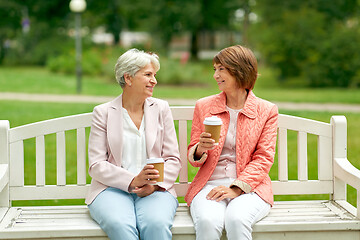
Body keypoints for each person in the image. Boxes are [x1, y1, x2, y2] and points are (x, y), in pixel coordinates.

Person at [85, 48, 181, 240]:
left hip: (156, 188)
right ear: (128, 78)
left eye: (154, 75)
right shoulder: (103, 112)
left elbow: (173, 159)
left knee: (157, 224)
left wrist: (153, 185)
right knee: (120, 224)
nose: (154, 80)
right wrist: (133, 180)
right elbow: (96, 165)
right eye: (148, 75)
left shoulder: (161, 108)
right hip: (111, 189)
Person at [185, 45, 278, 240]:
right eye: (215, 69)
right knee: (208, 222)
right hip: (209, 185)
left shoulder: (267, 110)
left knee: (237, 219)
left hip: (250, 188)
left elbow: (263, 158)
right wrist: (200, 148)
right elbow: (193, 157)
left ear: (239, 70)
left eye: (221, 69)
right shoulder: (204, 106)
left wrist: (235, 189)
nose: (215, 75)